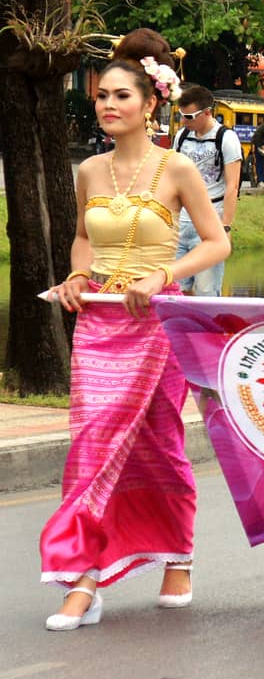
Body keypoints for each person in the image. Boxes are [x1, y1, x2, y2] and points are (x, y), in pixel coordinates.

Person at [40, 57, 231, 631]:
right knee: (93, 442)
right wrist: (77, 278)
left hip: (156, 324)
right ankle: (84, 578)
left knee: (159, 443)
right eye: (101, 96)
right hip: (99, 323)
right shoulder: (91, 170)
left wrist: (164, 276)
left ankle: (179, 556)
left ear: (151, 103)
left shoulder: (177, 169)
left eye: (121, 96)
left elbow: (217, 243)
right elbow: (80, 238)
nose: (107, 105)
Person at [170, 85, 241, 297]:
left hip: (211, 219)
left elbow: (233, 186)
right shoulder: (182, 136)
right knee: (174, 290)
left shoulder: (226, 138)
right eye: (180, 116)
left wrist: (225, 228)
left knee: (206, 292)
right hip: (181, 222)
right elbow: (171, 176)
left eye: (189, 116)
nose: (184, 121)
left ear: (207, 112)